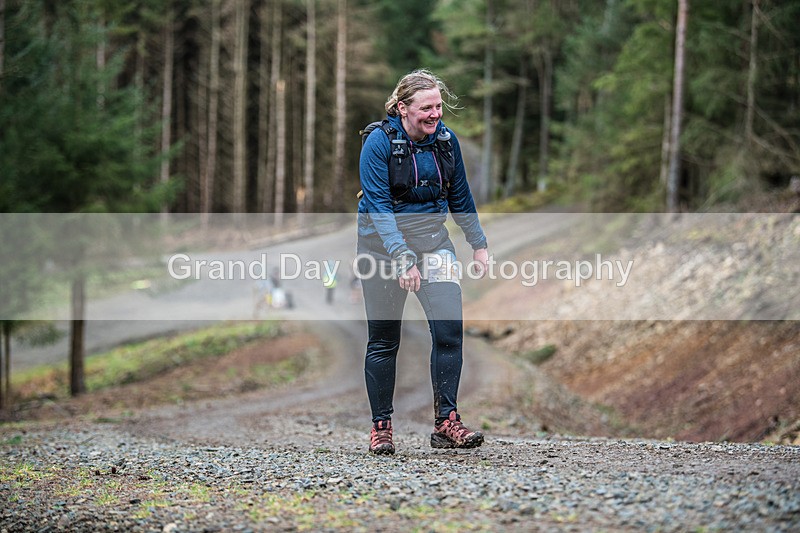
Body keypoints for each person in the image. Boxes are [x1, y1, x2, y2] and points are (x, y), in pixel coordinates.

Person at [356, 69, 490, 455]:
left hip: (434, 246)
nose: (436, 114)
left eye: (439, 106)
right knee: (384, 339)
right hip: (381, 250)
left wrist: (479, 245)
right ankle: (381, 427)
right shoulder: (378, 145)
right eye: (426, 108)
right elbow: (379, 208)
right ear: (402, 108)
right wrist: (401, 257)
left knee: (449, 330)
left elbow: (461, 196)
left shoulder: (446, 143)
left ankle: (446, 422)